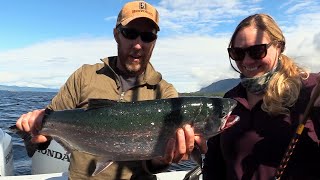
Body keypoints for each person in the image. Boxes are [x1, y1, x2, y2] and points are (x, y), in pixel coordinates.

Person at [15, 1, 204, 179]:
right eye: (130, 33)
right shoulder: (85, 76)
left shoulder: (166, 94)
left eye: (147, 36)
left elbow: (154, 164)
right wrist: (35, 132)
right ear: (116, 34)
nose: (138, 44)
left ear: (154, 41)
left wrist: (163, 158)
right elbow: (48, 124)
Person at [203, 13, 320, 180]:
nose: (248, 61)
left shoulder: (310, 89)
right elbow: (214, 163)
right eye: (238, 53)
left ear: (279, 46)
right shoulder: (229, 100)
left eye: (257, 51)